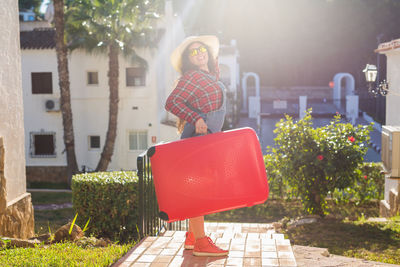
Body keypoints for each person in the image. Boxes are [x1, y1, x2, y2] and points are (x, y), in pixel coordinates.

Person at [165, 35, 229, 257]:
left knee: (201, 188)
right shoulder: (192, 77)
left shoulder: (208, 76)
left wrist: (213, 60)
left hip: (208, 139)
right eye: (192, 52)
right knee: (199, 190)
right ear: (188, 59)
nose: (199, 53)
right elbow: (171, 102)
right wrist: (196, 118)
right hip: (198, 138)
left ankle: (192, 237)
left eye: (202, 49)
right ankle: (201, 242)